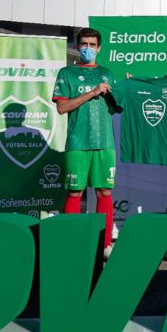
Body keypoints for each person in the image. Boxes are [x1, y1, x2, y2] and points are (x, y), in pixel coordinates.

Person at [52, 27, 119, 257]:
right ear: (77, 46)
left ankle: (105, 244)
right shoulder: (66, 73)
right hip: (77, 142)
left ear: (99, 48)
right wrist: (91, 92)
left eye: (92, 45)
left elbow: (116, 107)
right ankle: (71, 243)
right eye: (84, 45)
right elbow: (62, 107)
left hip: (104, 142)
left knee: (104, 193)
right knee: (74, 194)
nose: (88, 48)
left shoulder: (108, 73)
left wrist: (125, 91)